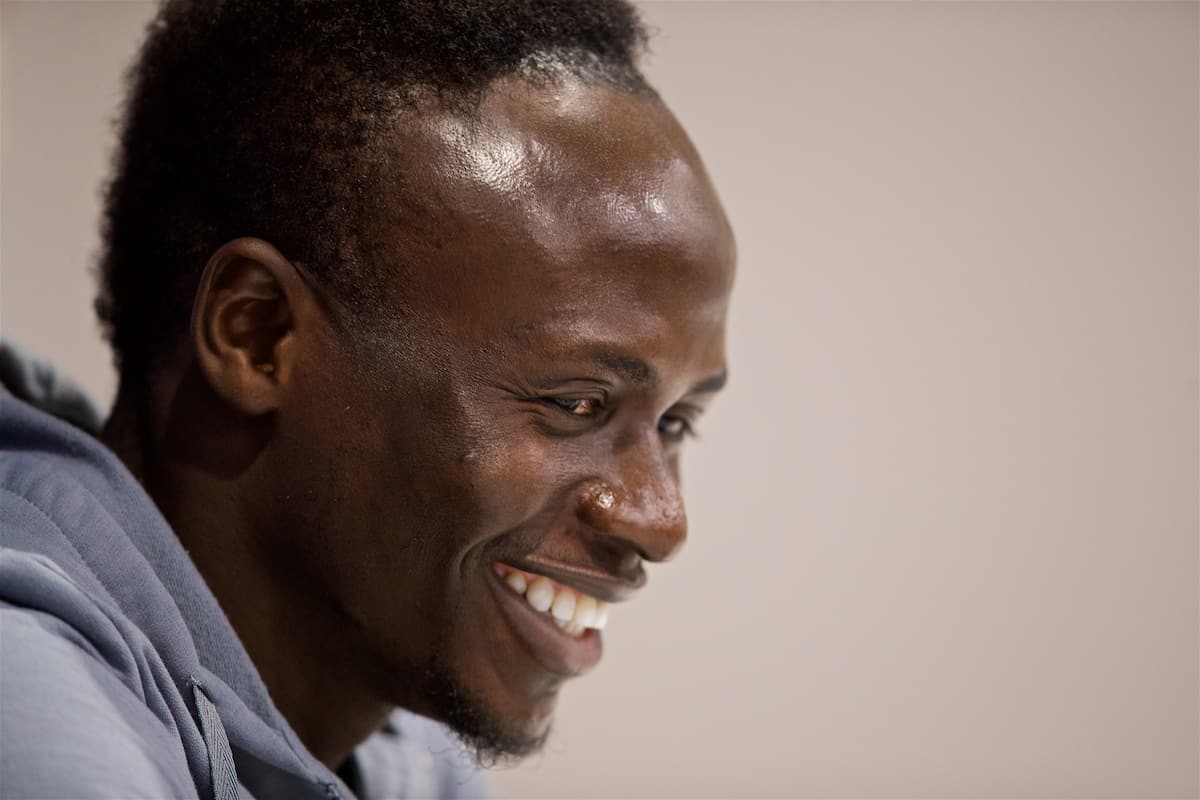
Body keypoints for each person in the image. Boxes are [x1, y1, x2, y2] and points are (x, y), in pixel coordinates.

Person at [0, 0, 735, 797]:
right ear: (258, 335)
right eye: (578, 404)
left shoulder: (410, 752)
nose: (661, 523)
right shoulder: (33, 709)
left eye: (674, 421)